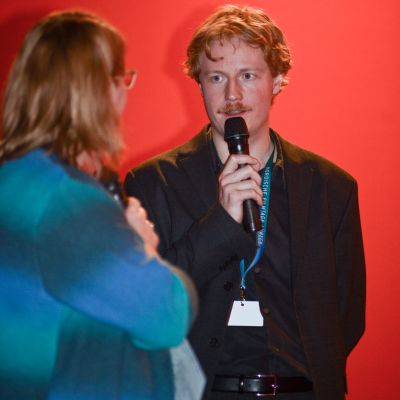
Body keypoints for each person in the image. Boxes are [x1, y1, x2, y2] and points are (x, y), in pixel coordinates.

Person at [124, 4, 366, 400]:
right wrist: (220, 221)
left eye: (248, 76)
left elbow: (347, 318)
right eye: (216, 77)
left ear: (278, 80)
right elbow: (147, 302)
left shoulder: (332, 188)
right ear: (198, 83)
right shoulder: (153, 183)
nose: (232, 95)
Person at [0, 10, 197, 400]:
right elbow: (168, 315)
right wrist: (143, 246)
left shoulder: (14, 177)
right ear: (100, 91)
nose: (125, 93)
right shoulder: (67, 201)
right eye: (124, 79)